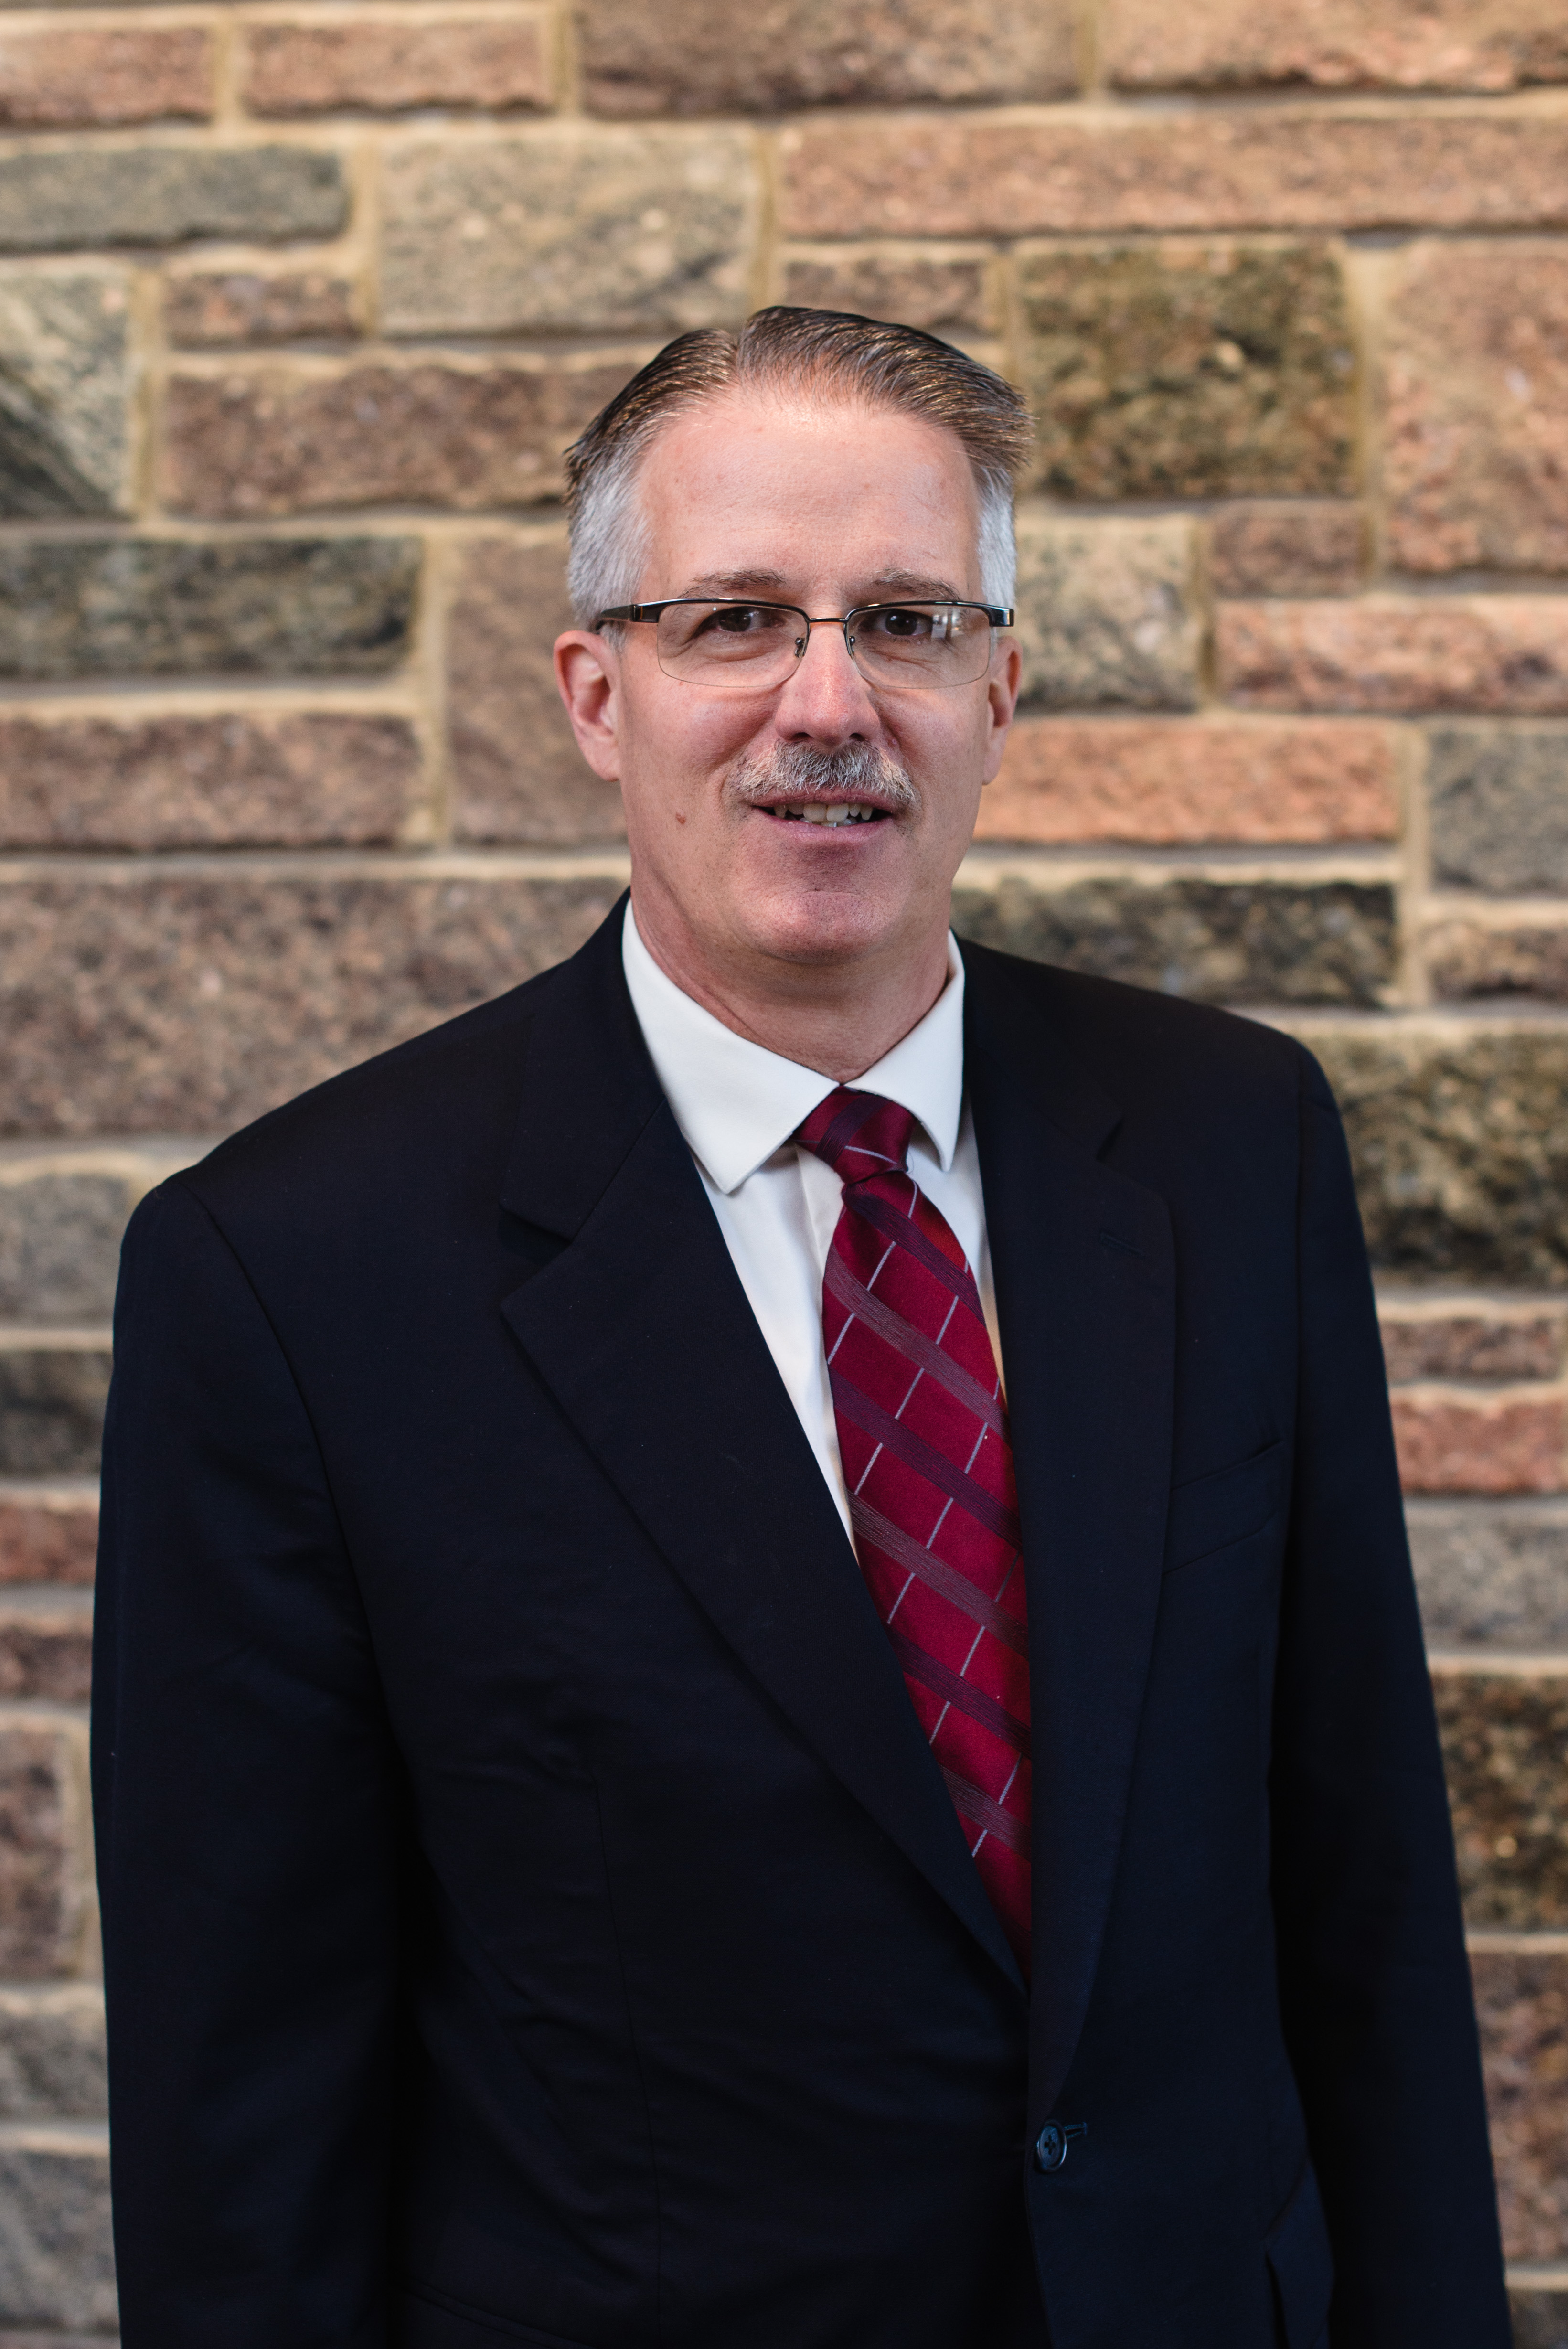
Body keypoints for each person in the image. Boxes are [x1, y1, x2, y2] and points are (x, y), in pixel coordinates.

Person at [92, 308, 1509, 2349]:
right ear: (597, 691)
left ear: (1000, 686)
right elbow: (248, 2113)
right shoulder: (294, 1273)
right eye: (735, 617)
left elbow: (1359, 1884)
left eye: (908, 622)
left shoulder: (1226, 1145)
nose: (826, 703)